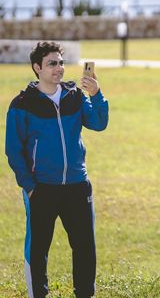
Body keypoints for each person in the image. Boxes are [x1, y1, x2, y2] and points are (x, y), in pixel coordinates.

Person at [5, 41, 109, 297]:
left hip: (77, 185)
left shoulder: (74, 96)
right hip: (42, 188)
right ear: (37, 67)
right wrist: (29, 188)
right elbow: (13, 150)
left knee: (85, 247)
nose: (59, 68)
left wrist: (95, 94)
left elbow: (98, 123)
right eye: (52, 63)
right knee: (38, 250)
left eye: (61, 63)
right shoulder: (22, 104)